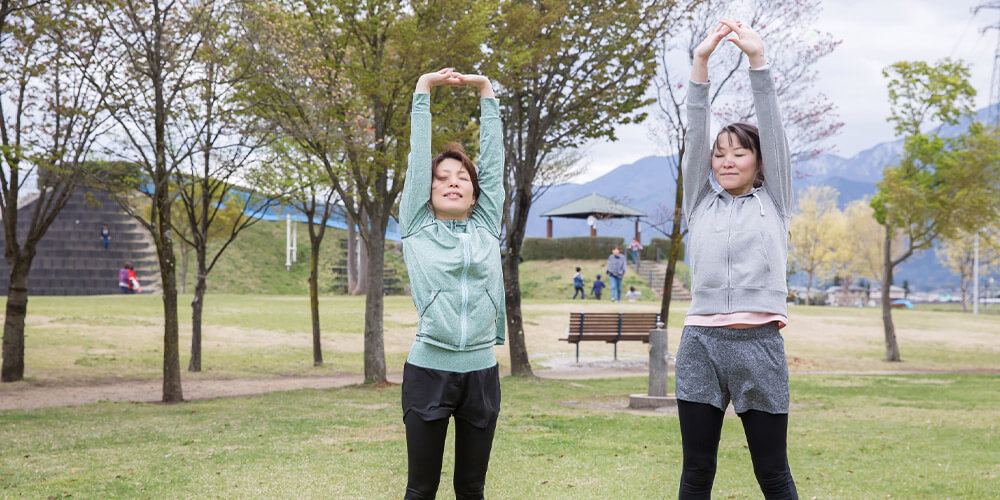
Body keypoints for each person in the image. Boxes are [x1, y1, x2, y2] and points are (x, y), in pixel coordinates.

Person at [673, 20, 798, 499]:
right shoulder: (700, 201)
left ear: (759, 162)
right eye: (719, 154)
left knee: (772, 471)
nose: (726, 161)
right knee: (696, 472)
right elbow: (697, 128)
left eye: (739, 153)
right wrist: (700, 64)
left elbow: (772, 126)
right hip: (700, 343)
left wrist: (757, 61)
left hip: (759, 345)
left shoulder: (777, 200)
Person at [399, 68, 504, 500]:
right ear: (427, 190)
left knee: (471, 488)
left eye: (462, 178)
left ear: (476, 195)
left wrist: (486, 93)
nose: (453, 183)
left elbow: (493, 165)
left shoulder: (485, 226)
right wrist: (423, 87)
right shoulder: (416, 225)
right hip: (428, 370)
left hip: (481, 373)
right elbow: (417, 157)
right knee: (421, 488)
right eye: (442, 178)